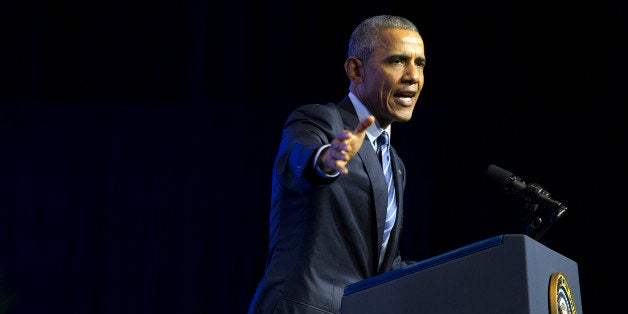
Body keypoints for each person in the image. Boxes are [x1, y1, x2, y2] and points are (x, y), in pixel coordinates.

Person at [248, 14, 426, 314]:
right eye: (397, 61)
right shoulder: (320, 121)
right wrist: (327, 159)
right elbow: (301, 161)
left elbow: (380, 263)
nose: (413, 75)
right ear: (355, 69)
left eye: (420, 63)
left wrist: (460, 268)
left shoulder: (394, 164)